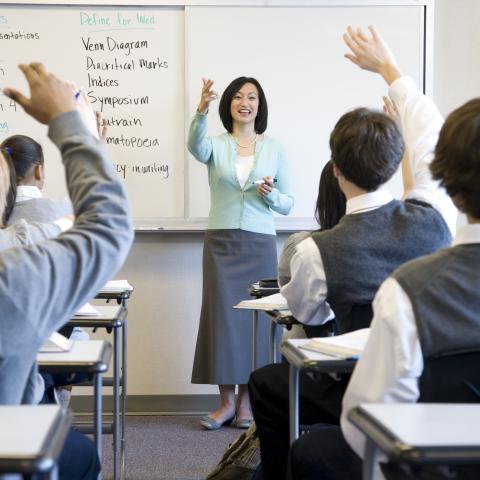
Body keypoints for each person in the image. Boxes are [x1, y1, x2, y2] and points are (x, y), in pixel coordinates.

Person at [249, 25, 457, 480]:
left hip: (357, 388)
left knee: (267, 383)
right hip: (435, 390)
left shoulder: (316, 251)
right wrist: (390, 70)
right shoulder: (434, 220)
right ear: (396, 161)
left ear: (336, 171)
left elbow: (307, 312)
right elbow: (428, 141)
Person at [0, 62, 133, 479]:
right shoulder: (14, 276)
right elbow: (106, 224)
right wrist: (75, 129)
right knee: (76, 452)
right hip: (12, 451)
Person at [188, 76, 294, 430]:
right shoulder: (215, 145)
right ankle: (225, 403)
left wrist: (271, 195)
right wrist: (200, 109)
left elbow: (287, 203)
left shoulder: (275, 148)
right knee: (221, 321)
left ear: (260, 105)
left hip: (259, 241)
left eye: (251, 97)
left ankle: (248, 403)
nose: (244, 102)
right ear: (228, 105)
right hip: (220, 241)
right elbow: (194, 147)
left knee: (255, 323)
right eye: (237, 97)